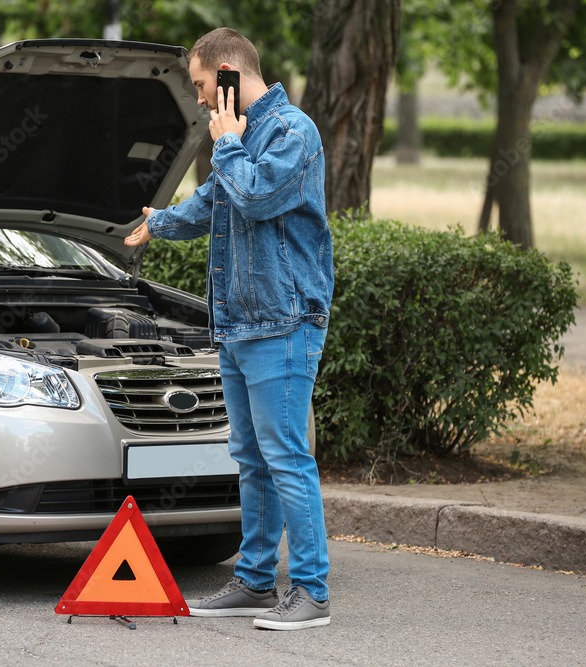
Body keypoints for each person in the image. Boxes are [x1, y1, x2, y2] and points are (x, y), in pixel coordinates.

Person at [124, 27, 334, 631]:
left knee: (286, 456)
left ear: (227, 77)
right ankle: (255, 581)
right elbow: (215, 203)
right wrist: (158, 223)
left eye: (199, 86)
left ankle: (312, 593)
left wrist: (227, 143)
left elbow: (256, 197)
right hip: (240, 323)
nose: (198, 100)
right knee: (251, 457)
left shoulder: (293, 132)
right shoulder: (241, 137)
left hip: (285, 321)